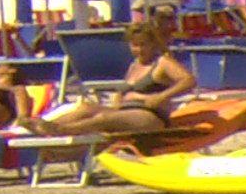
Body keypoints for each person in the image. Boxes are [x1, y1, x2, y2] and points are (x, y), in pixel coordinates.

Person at [24, 16, 199, 138]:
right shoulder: (134, 65)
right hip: (126, 113)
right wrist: (120, 99)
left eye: (143, 45)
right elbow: (126, 91)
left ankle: (60, 130)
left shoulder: (162, 62)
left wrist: (161, 96)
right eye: (134, 45)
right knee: (86, 108)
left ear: (153, 44)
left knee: (102, 119)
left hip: (150, 116)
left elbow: (189, 80)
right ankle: (43, 127)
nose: (138, 50)